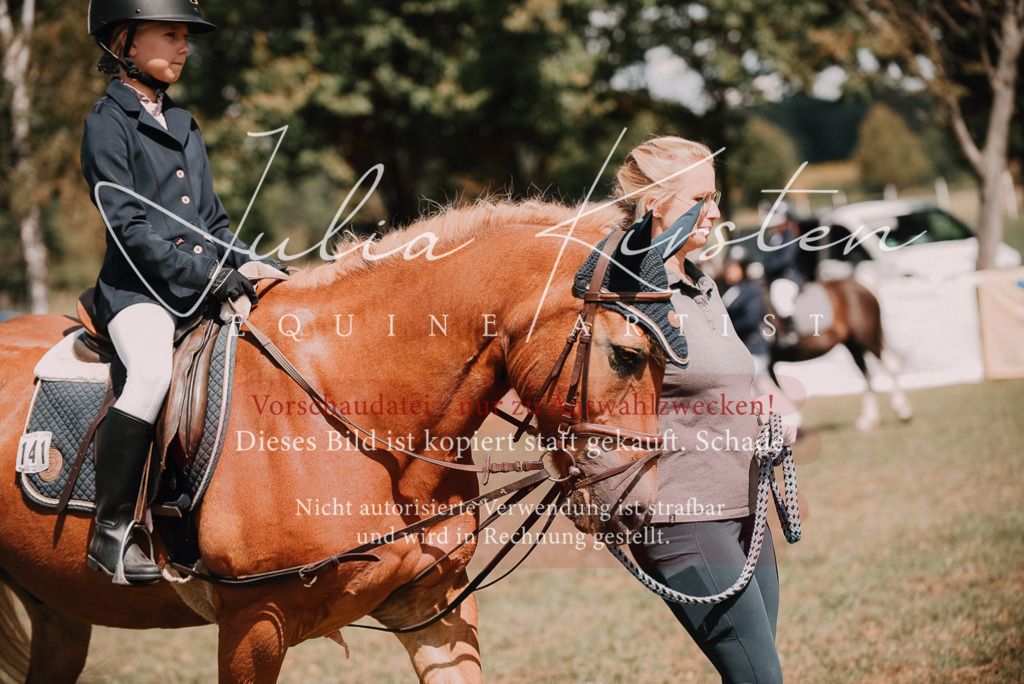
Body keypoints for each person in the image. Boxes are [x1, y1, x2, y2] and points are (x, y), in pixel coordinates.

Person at [81, 0, 276, 585]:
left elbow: (211, 225)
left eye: (186, 36)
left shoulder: (185, 122)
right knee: (149, 376)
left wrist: (257, 264)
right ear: (127, 43)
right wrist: (208, 277)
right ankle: (111, 533)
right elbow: (128, 226)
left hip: (195, 290)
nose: (184, 46)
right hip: (136, 294)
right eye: (170, 35)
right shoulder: (105, 122)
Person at [616, 136, 789, 683]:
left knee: (756, 673)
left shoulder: (700, 281)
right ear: (653, 207)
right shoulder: (628, 293)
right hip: (680, 516)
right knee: (761, 679)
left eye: (715, 197)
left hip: (744, 505)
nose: (716, 211)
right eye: (700, 198)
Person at [760, 202, 803, 348]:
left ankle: (792, 331)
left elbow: (785, 259)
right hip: (774, 276)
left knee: (781, 297)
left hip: (786, 277)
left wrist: (767, 268)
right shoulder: (774, 238)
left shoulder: (789, 236)